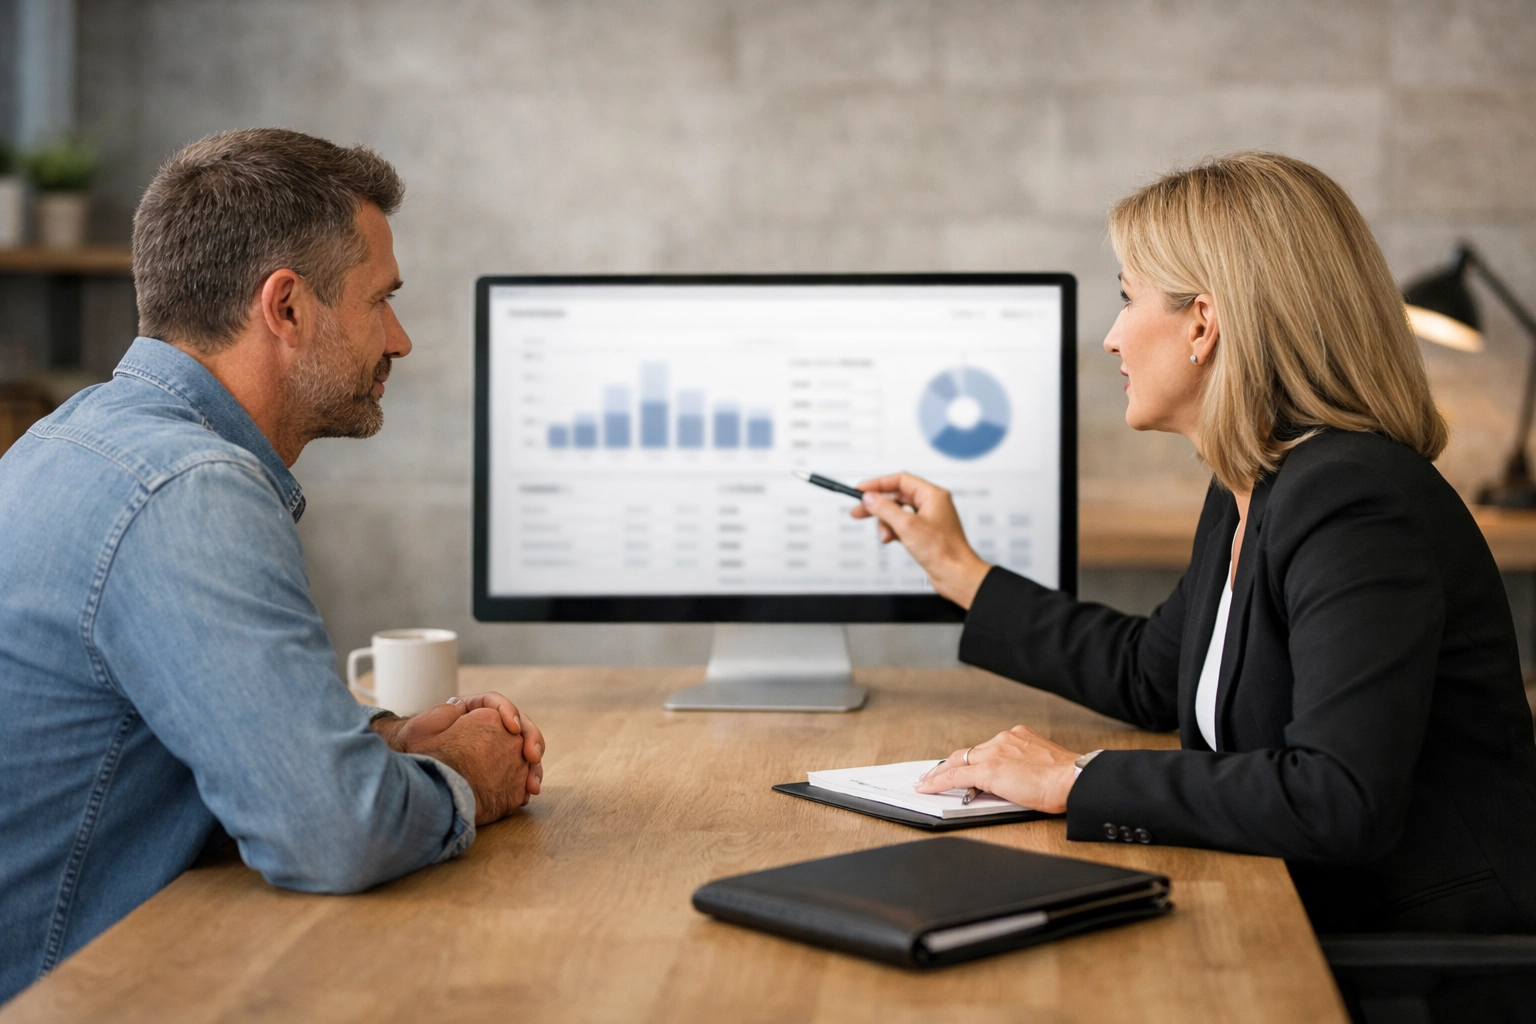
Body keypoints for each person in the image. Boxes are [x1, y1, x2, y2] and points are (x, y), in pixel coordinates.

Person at [856, 152, 1536, 935]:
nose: (1110, 338)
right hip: (1296, 912)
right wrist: (961, 571)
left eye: (1125, 299)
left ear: (1204, 324)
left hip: (1422, 959)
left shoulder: (1352, 501)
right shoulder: (1254, 483)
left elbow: (1338, 799)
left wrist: (1073, 779)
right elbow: (1152, 675)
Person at [0, 128, 545, 1003]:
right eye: (381, 300)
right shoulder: (190, 489)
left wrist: (380, 741)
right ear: (285, 307)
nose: (400, 340)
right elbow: (334, 834)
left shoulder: (68, 441)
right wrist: (469, 782)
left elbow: (169, 725)